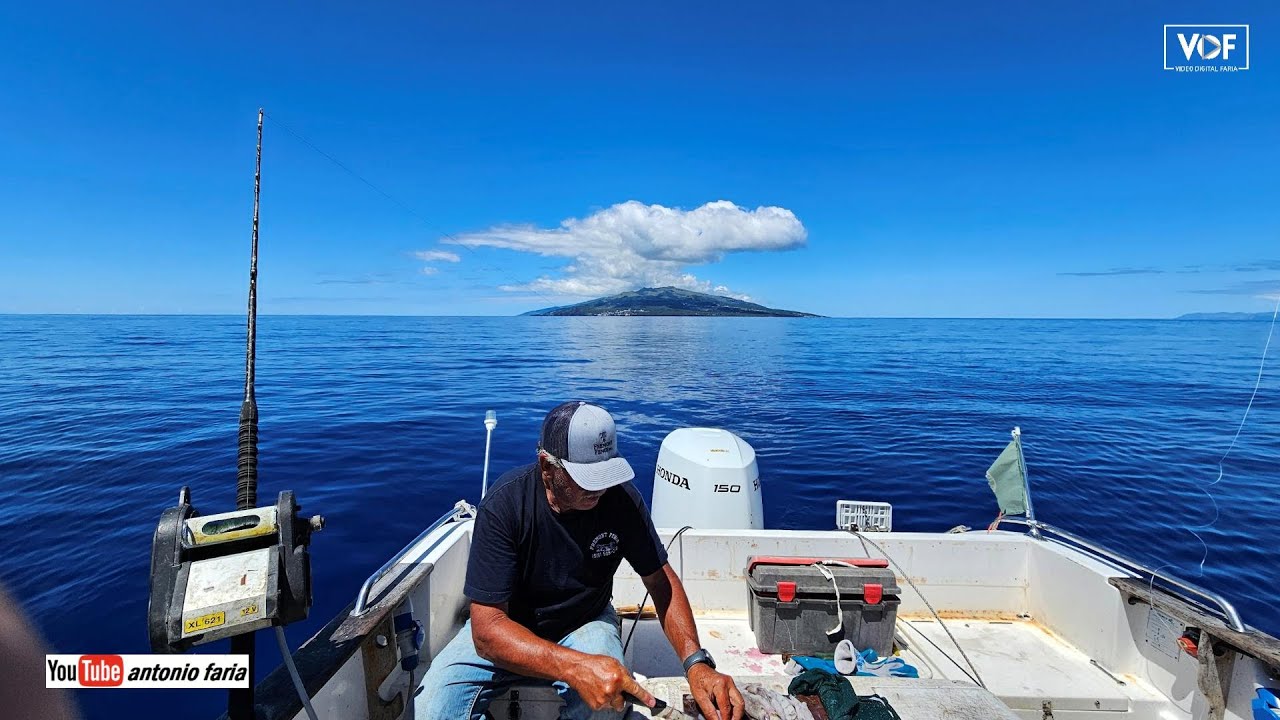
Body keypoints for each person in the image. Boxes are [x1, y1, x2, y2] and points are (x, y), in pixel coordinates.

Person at [420, 401, 743, 720]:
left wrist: (696, 662)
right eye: (589, 477)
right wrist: (573, 666)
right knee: (433, 708)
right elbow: (487, 631)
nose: (602, 487)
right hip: (510, 628)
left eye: (608, 472)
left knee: (607, 707)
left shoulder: (621, 500)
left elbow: (660, 580)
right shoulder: (505, 505)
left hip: (585, 621)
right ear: (547, 467)